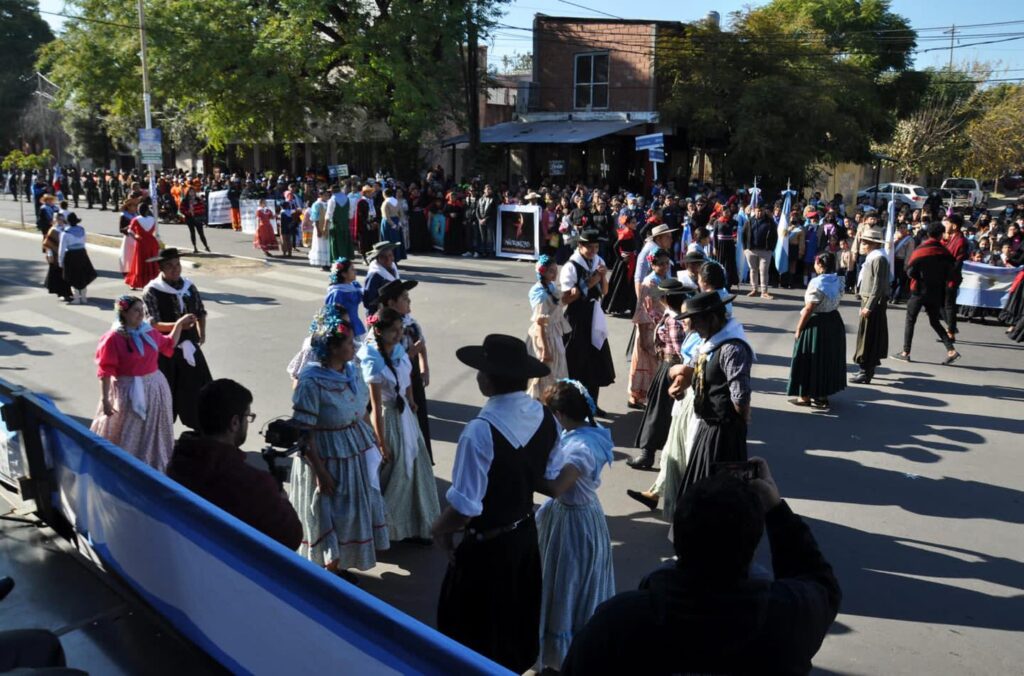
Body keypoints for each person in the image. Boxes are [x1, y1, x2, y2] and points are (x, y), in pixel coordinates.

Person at [563, 458, 841, 675]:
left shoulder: (618, 622)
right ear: (754, 542)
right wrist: (776, 509)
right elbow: (820, 582)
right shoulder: (789, 617)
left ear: (678, 539)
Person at [432, 334, 558, 674]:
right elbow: (548, 474)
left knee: (473, 633)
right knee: (515, 624)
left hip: (488, 548)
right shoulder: (545, 417)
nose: (477, 375)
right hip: (524, 536)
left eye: (481, 370)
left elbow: (465, 507)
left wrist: (439, 530)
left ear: (489, 379)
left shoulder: (480, 431)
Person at [290, 309, 389, 582]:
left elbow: (361, 412)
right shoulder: (311, 382)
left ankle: (339, 564)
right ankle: (325, 573)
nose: (353, 346)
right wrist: (320, 472)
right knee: (329, 515)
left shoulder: (351, 370)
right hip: (326, 457)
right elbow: (304, 433)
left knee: (350, 515)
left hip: (352, 453)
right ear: (331, 349)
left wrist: (375, 442)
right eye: (346, 344)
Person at [536, 379, 615, 671]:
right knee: (572, 582)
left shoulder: (579, 448)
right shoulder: (589, 433)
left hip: (573, 525)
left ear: (558, 414)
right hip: (581, 514)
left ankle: (563, 657)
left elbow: (557, 487)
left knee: (567, 584)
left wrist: (522, 471)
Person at [167, 379, 302, 549]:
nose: (248, 422)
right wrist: (282, 498)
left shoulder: (177, 461)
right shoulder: (252, 483)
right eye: (248, 417)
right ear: (235, 422)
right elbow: (291, 536)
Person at [359, 308, 440, 542]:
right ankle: (390, 528)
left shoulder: (399, 351)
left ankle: (418, 524)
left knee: (417, 469)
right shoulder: (372, 360)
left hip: (407, 418)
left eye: (400, 329)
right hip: (389, 421)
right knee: (397, 475)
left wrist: (412, 400)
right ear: (379, 331)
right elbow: (375, 407)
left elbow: (406, 381)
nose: (398, 334)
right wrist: (381, 443)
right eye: (393, 331)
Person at [91, 295, 196, 472]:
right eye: (136, 310)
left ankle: (153, 463)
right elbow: (105, 370)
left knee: (153, 429)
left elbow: (168, 344)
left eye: (143, 310)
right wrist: (106, 399)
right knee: (128, 428)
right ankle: (125, 466)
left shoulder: (148, 332)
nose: (141, 314)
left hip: (154, 388)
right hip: (127, 390)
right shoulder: (112, 338)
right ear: (123, 313)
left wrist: (179, 324)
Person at [675, 291, 752, 498]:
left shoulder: (732, 348)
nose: (694, 329)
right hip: (708, 426)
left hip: (724, 432)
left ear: (712, 318)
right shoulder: (709, 342)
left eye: (696, 322)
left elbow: (741, 395)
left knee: (720, 491)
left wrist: (740, 422)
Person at [626, 277, 696, 484]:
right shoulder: (673, 315)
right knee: (661, 412)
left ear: (666, 298)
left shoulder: (674, 320)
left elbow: (679, 349)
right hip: (667, 367)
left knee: (658, 412)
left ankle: (648, 454)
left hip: (670, 368)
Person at [141, 248, 213, 430]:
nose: (176, 270)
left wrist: (201, 333)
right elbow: (153, 324)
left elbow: (200, 311)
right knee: (167, 391)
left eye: (178, 265)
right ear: (161, 269)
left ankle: (201, 428)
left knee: (200, 389)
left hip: (190, 345)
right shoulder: (152, 290)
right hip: (166, 349)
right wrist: (178, 324)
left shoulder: (189, 286)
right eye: (170, 266)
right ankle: (162, 431)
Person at [560, 229, 615, 416]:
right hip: (576, 318)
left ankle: (592, 404)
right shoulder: (571, 266)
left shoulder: (599, 262)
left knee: (595, 361)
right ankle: (574, 406)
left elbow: (604, 291)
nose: (593, 250)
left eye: (596, 247)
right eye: (589, 247)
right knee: (576, 361)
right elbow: (567, 298)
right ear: (580, 246)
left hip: (594, 315)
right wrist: (592, 280)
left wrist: (603, 277)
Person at [892, 222, 962, 366]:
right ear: (941, 234)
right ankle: (951, 350)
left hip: (919, 291)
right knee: (934, 321)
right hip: (935, 291)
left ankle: (906, 352)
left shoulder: (922, 250)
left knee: (910, 320)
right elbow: (952, 272)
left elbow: (910, 270)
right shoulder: (944, 252)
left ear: (928, 234)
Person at [378, 279, 434, 460]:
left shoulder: (410, 323)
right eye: (404, 298)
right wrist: (410, 354)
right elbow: (390, 360)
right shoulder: (384, 328)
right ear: (391, 303)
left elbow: (421, 343)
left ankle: (420, 457)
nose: (409, 301)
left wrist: (424, 366)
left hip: (412, 378)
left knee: (417, 418)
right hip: (395, 384)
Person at [787, 252, 846, 409]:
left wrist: (799, 328)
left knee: (809, 359)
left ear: (820, 265)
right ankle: (821, 394)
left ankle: (808, 396)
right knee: (826, 360)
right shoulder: (838, 280)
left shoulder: (817, 283)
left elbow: (809, 308)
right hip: (833, 321)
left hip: (816, 324)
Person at [628, 248, 671, 409]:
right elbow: (644, 308)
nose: (665, 266)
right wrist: (646, 335)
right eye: (661, 264)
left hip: (661, 326)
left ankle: (653, 396)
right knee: (647, 363)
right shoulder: (650, 283)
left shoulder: (664, 278)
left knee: (658, 363)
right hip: (649, 327)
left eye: (667, 263)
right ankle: (639, 397)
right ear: (652, 265)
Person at [851, 225, 890, 384]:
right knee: (866, 336)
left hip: (872, 302)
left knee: (869, 338)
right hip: (867, 299)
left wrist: (869, 306)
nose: (863, 245)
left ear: (874, 244)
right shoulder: (873, 257)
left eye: (866, 242)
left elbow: (878, 285)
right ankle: (865, 368)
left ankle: (865, 371)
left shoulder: (879, 258)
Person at [527, 254, 570, 399]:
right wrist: (545, 349)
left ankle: (552, 405)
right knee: (545, 375)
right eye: (551, 271)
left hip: (554, 334)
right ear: (542, 272)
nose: (555, 273)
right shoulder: (540, 294)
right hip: (544, 337)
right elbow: (540, 323)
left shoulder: (550, 287)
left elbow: (560, 302)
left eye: (556, 270)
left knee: (556, 371)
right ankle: (543, 405)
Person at [601, 214, 638, 316]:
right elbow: (615, 246)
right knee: (618, 285)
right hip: (624, 264)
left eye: (635, 222)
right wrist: (621, 258)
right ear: (628, 224)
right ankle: (611, 306)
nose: (636, 224)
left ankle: (626, 306)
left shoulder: (632, 232)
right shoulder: (626, 233)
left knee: (628, 285)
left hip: (631, 261)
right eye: (633, 222)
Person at [58, 213, 97, 305]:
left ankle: (76, 298)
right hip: (82, 254)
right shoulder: (82, 230)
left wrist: (60, 261)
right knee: (82, 275)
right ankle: (83, 297)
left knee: (73, 275)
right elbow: (84, 242)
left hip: (71, 255)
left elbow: (62, 248)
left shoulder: (65, 233)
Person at [323, 258, 365, 341]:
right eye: (352, 269)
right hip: (344, 331)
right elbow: (333, 316)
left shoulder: (354, 286)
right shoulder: (337, 293)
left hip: (356, 326)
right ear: (344, 274)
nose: (355, 272)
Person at [942, 213, 968, 344]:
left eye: (947, 223)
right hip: (943, 276)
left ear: (954, 225)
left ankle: (951, 332)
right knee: (940, 304)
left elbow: (957, 262)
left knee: (949, 305)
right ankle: (951, 326)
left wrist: (948, 274)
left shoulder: (961, 241)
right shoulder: (950, 238)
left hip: (951, 277)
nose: (945, 225)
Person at [742, 203, 777, 299]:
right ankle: (754, 289)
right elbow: (744, 235)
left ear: (764, 210)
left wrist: (771, 249)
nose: (759, 212)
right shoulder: (749, 221)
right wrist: (745, 249)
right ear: (754, 210)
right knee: (753, 270)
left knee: (764, 270)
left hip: (765, 251)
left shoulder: (770, 222)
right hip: (751, 250)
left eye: (761, 210)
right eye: (758, 210)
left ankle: (764, 292)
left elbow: (775, 236)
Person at [124, 203, 161, 290]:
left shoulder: (135, 219)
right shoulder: (153, 219)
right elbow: (155, 232)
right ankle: (153, 281)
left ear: (138, 210)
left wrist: (135, 237)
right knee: (152, 263)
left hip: (141, 243)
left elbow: (130, 231)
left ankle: (136, 283)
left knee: (140, 263)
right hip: (152, 243)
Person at [41, 211, 73, 302]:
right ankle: (62, 293)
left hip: (65, 254)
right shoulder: (53, 230)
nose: (59, 220)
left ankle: (67, 293)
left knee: (65, 275)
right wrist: (50, 255)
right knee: (58, 275)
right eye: (57, 219)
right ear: (55, 220)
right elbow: (48, 244)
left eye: (61, 218)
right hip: (55, 256)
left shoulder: (66, 228)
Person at [363, 241, 400, 313]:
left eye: (390, 255)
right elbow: (368, 301)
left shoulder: (393, 267)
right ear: (377, 258)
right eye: (383, 257)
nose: (388, 259)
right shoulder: (374, 275)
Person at [180, 178, 211, 253]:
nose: (192, 193)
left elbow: (202, 208)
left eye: (193, 191)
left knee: (201, 233)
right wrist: (188, 212)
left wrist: (196, 211)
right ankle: (195, 247)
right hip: (189, 219)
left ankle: (206, 246)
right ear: (188, 192)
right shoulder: (185, 201)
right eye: (190, 191)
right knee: (192, 233)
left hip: (197, 218)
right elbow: (181, 209)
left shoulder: (198, 200)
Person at [325, 183, 354, 260]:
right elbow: (351, 215)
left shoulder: (332, 200)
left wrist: (325, 227)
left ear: (332, 191)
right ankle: (346, 260)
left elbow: (328, 215)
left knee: (336, 243)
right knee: (345, 242)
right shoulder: (348, 198)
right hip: (345, 225)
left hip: (335, 225)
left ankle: (338, 261)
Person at [379, 187, 407, 262]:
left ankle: (388, 259)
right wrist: (399, 223)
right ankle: (396, 257)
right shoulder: (397, 201)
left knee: (387, 241)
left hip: (388, 224)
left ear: (384, 194)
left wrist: (393, 225)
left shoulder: (385, 203)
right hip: (396, 221)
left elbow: (386, 216)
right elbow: (401, 213)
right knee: (396, 240)